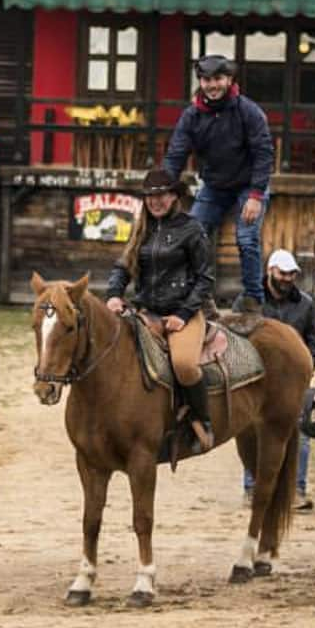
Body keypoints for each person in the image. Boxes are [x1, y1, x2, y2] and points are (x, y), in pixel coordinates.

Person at [106, 169, 216, 452]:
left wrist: (183, 314)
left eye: (161, 195)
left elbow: (206, 278)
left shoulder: (191, 229)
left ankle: (201, 421)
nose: (155, 201)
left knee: (183, 365)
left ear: (173, 197)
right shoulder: (140, 227)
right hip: (145, 312)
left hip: (183, 313)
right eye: (150, 196)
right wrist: (114, 295)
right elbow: (123, 266)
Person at [163, 54, 275, 307]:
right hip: (214, 185)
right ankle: (196, 293)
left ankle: (253, 298)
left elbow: (264, 153)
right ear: (200, 82)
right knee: (193, 234)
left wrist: (256, 195)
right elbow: (176, 155)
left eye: (218, 79)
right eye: (206, 80)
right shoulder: (192, 116)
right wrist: (163, 189)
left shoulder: (248, 111)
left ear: (229, 80)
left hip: (249, 184)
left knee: (246, 239)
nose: (213, 86)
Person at [244, 248, 315, 509]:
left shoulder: (307, 305)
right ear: (270, 272)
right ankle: (252, 487)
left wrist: (305, 367)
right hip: (255, 377)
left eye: (292, 274)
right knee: (252, 429)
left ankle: (296, 490)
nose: (288, 278)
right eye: (283, 273)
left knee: (298, 431)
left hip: (292, 379)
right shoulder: (251, 301)